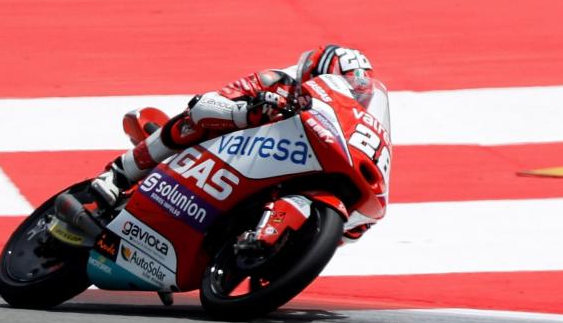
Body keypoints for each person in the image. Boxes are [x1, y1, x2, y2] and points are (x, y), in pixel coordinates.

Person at [89, 44, 375, 214]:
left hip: (254, 178)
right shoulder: (277, 80)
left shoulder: (337, 125)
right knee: (194, 120)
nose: (350, 99)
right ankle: (119, 174)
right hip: (214, 155)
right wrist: (250, 112)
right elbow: (205, 105)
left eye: (358, 97)